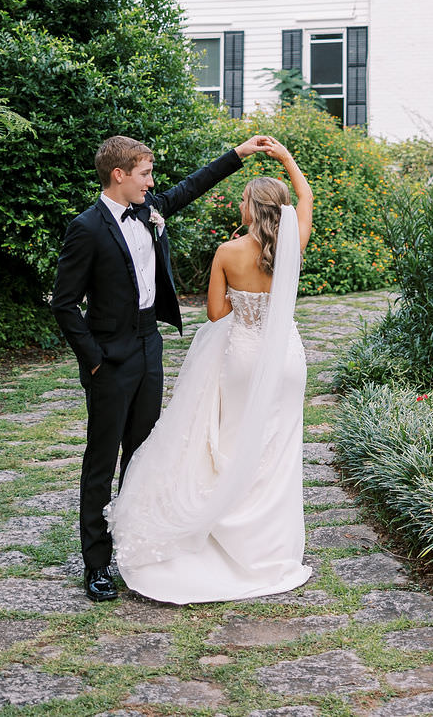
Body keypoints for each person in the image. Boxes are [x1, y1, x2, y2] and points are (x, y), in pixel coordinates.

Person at [52, 133, 260, 602]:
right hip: (110, 356)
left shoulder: (149, 210)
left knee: (144, 455)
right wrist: (95, 362)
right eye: (144, 173)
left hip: (150, 346)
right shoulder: (86, 228)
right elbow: (64, 304)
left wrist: (238, 155)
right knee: (102, 460)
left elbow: (192, 186)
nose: (152, 182)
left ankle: (137, 550)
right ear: (119, 175)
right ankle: (97, 564)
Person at [107, 135, 313, 603]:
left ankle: (227, 533)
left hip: (242, 357)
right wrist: (285, 157)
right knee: (278, 450)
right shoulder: (294, 242)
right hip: (285, 359)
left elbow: (218, 314)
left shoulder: (228, 252)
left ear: (249, 209)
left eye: (242, 199)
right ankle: (271, 550)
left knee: (235, 442)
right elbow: (307, 196)